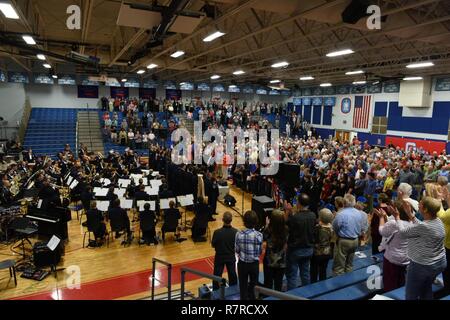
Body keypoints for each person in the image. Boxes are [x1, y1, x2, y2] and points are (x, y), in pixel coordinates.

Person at [398, 197, 447, 300]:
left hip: (422, 265)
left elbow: (403, 233)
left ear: (425, 210)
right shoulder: (438, 221)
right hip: (439, 263)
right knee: (425, 288)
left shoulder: (425, 226)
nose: (418, 205)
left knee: (411, 295)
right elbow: (423, 227)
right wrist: (410, 214)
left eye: (420, 204)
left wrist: (397, 218)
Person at [375, 200, 413, 292]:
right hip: (406, 258)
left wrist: (381, 218)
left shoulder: (394, 223)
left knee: (390, 283)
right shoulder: (413, 223)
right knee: (401, 280)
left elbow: (382, 231)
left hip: (392, 259)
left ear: (396, 211)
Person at [285, 194, 316, 289]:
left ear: (299, 203)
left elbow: (285, 225)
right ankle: (306, 294)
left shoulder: (295, 217)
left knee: (292, 275)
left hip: (296, 250)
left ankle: (291, 296)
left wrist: (287, 211)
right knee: (305, 273)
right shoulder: (313, 215)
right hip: (309, 249)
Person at [332, 194, 367, 275]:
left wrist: (338, 235)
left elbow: (335, 227)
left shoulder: (341, 214)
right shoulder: (359, 213)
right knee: (349, 265)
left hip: (344, 240)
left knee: (339, 267)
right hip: (355, 240)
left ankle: (338, 286)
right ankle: (347, 284)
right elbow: (362, 227)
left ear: (344, 202)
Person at [235, 210, 263, 300]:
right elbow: (259, 252)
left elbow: (237, 250)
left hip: (242, 264)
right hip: (254, 264)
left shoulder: (238, 234)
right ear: (256, 222)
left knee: (242, 286)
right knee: (253, 286)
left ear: (244, 222)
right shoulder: (259, 235)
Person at [211, 212, 238, 290]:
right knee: (232, 275)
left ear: (222, 220)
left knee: (217, 275)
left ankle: (215, 291)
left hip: (220, 257)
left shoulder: (217, 232)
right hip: (231, 256)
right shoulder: (236, 232)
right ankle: (234, 291)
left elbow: (213, 245)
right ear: (231, 220)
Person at [263, 209, 288, 291]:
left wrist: (266, 225)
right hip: (281, 262)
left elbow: (264, 237)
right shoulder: (286, 230)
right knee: (278, 283)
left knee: (268, 283)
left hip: (269, 262)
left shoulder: (268, 230)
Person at [310, 208, 334, 283]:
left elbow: (313, 239)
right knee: (323, 270)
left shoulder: (317, 228)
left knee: (314, 270)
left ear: (320, 217)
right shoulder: (332, 228)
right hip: (327, 252)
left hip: (317, 253)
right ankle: (322, 284)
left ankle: (313, 284)